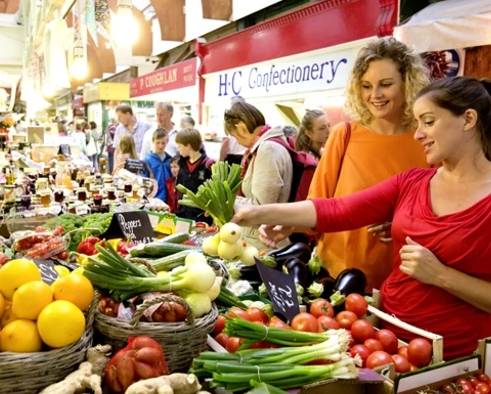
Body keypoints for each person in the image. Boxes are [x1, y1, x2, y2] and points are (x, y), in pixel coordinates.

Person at [232, 77, 491, 360]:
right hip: (383, 337)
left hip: (456, 354)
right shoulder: (413, 181)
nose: (418, 135)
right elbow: (340, 209)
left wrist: (443, 276)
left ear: (468, 119)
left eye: (428, 122)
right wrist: (259, 212)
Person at [308, 37, 431, 291]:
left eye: (385, 84)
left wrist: (402, 223)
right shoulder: (345, 134)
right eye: (366, 86)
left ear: (407, 84)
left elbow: (439, 216)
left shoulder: (427, 141)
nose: (374, 95)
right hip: (336, 275)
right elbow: (317, 205)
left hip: (403, 282)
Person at [225, 101, 293, 249]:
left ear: (241, 128)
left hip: (263, 245)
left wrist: (225, 204)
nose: (237, 141)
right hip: (259, 242)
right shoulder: (266, 147)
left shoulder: (268, 149)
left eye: (234, 135)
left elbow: (261, 208)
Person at [175, 128, 214, 225]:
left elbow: (214, 193)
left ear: (188, 146)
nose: (178, 149)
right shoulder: (181, 164)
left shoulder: (208, 165)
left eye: (180, 146)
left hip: (201, 217)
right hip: (182, 215)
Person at [143, 128, 173, 204]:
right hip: (154, 199)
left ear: (167, 142)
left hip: (169, 198)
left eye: (163, 143)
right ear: (153, 141)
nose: (160, 146)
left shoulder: (170, 160)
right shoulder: (147, 160)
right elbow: (143, 182)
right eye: (158, 143)